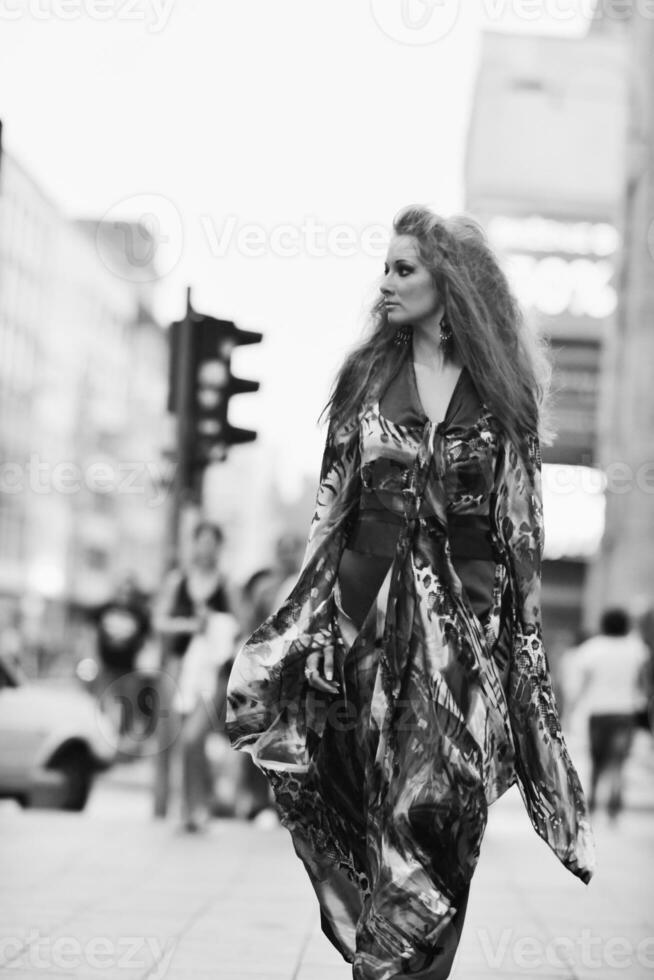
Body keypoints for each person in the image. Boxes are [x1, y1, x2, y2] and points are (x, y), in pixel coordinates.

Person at [225, 205, 595, 979]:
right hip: (363, 627)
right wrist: (304, 629)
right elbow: (333, 512)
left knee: (439, 819)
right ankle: (386, 963)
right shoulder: (367, 377)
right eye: (385, 268)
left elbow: (521, 533)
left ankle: (403, 968)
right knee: (374, 814)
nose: (386, 282)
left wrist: (522, 670)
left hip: (464, 640)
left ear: (448, 282)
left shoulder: (503, 393)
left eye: (404, 269)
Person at [155, 521, 238, 832]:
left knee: (194, 738)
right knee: (183, 742)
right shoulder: (178, 581)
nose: (206, 548)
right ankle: (189, 807)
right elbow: (159, 621)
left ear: (219, 546)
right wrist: (192, 625)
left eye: (211, 542)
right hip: (179, 670)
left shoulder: (227, 586)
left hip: (211, 673)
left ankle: (200, 804)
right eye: (200, 541)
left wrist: (217, 627)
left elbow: (242, 628)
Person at [565, 607, 650, 820]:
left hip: (598, 712)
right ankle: (614, 801)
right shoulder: (637, 649)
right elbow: (643, 683)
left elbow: (582, 684)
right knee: (618, 760)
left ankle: (592, 800)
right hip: (625, 712)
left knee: (597, 759)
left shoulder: (592, 649)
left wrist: (572, 708)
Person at [93, 575, 151, 739]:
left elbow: (145, 642)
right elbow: (92, 634)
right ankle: (105, 741)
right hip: (106, 667)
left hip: (129, 669)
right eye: (122, 591)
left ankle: (122, 743)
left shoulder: (140, 615)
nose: (125, 595)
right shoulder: (104, 610)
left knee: (127, 708)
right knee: (104, 707)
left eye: (129, 592)